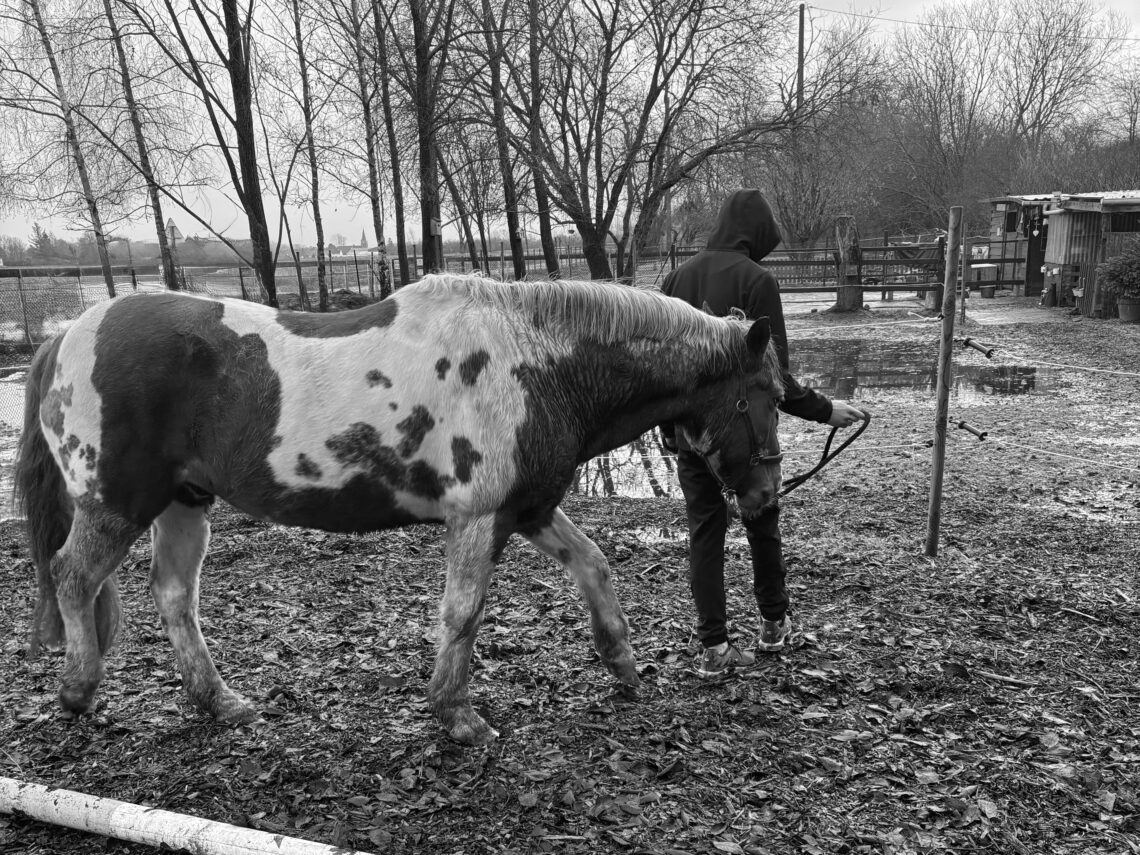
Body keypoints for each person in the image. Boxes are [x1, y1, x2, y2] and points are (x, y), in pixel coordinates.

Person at [660, 189, 866, 678]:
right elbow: (775, 376)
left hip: (692, 436)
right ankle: (773, 624)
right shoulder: (757, 280)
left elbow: (663, 368)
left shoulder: (676, 278)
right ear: (756, 232)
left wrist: (671, 430)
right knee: (762, 524)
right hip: (748, 438)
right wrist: (824, 410)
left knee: (705, 533)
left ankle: (714, 647)